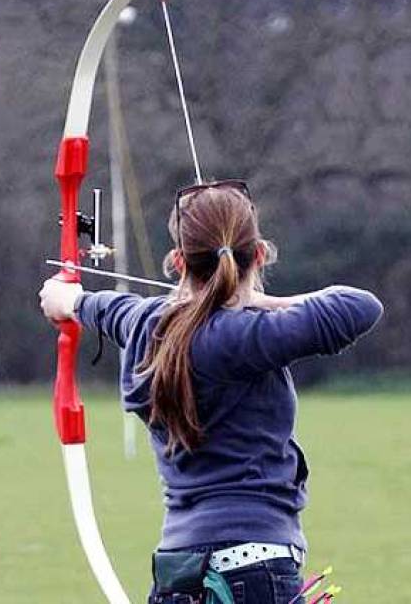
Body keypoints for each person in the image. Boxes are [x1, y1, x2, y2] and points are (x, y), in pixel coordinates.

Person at [39, 180, 383, 604]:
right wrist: (263, 301)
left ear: (177, 261)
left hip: (177, 570)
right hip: (256, 567)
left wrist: (68, 297)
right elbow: (360, 306)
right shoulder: (246, 336)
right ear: (258, 255)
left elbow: (97, 306)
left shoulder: (145, 323)